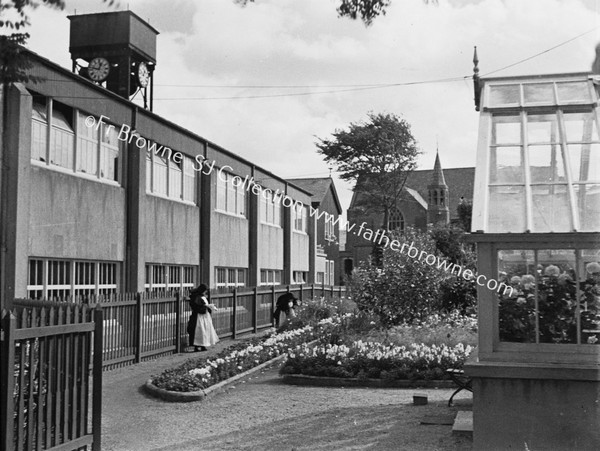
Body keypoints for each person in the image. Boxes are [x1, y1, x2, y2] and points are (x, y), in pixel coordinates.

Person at [186, 284, 219, 352]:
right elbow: (196, 307)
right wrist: (206, 307)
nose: (206, 292)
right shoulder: (196, 297)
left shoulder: (202, 297)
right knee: (198, 331)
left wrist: (209, 307)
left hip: (205, 317)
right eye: (205, 290)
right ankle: (197, 346)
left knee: (205, 331)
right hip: (198, 317)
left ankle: (203, 345)